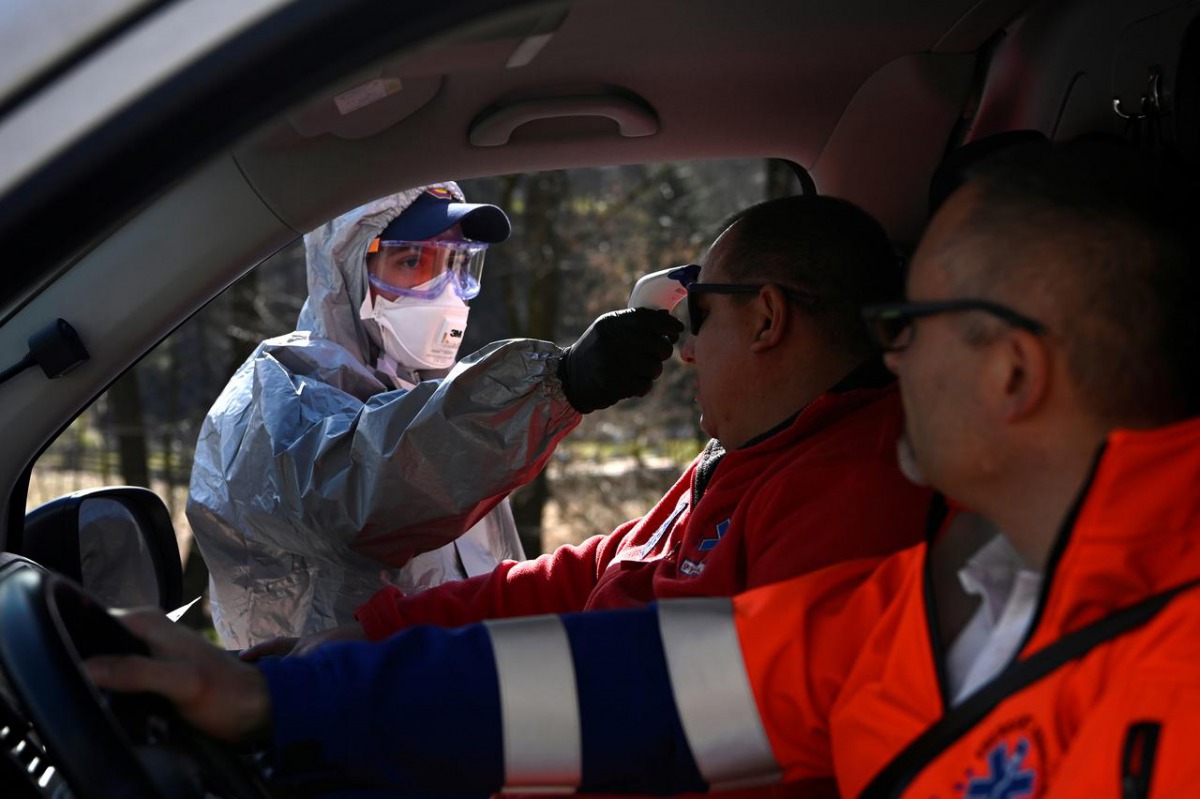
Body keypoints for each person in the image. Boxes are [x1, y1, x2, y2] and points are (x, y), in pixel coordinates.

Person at [88, 140, 1200, 797]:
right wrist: (283, 693)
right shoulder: (927, 612)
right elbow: (638, 682)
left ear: (1011, 370)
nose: (886, 343)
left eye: (914, 316)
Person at [245, 194, 933, 712]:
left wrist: (374, 694)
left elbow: (681, 711)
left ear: (767, 318)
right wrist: (376, 634)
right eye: (413, 262)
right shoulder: (743, 460)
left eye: (696, 316)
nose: (686, 350)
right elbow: (590, 572)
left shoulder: (852, 495)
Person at [188, 182, 684, 648]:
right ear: (349, 267)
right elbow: (367, 491)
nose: (446, 289)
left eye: (460, 265)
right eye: (413, 262)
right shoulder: (278, 390)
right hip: (326, 711)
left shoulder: (432, 397)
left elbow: (487, 576)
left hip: (432, 698)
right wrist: (558, 383)